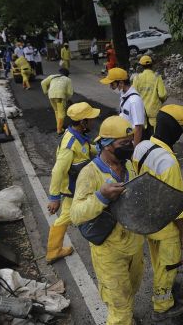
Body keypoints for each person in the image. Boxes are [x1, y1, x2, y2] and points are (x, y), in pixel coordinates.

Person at [70, 116, 143, 325]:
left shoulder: (128, 165)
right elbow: (76, 214)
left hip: (133, 245)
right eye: (124, 143)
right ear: (107, 145)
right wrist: (101, 197)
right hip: (109, 251)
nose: (130, 146)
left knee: (130, 290)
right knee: (119, 305)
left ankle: (125, 314)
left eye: (131, 141)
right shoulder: (90, 173)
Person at [132, 104, 183, 321]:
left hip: (149, 220)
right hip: (168, 226)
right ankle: (163, 306)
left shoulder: (141, 147)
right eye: (182, 128)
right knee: (169, 264)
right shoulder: (167, 162)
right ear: (173, 128)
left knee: (159, 261)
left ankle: (164, 289)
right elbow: (175, 204)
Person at [46, 102, 100, 263]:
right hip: (72, 187)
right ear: (83, 122)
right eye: (90, 119)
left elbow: (87, 148)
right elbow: (58, 170)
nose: (93, 121)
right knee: (67, 216)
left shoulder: (78, 135)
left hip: (79, 183)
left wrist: (100, 147)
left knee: (73, 214)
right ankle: (53, 251)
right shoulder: (69, 145)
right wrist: (54, 197)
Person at [100, 67, 148, 145]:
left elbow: (138, 128)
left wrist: (135, 150)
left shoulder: (134, 101)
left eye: (112, 84)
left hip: (132, 140)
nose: (110, 87)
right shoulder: (124, 95)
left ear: (121, 83)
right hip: (126, 138)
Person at [133, 55, 167, 130]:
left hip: (141, 111)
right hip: (154, 111)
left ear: (141, 66)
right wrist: (161, 101)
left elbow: (133, 96)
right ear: (152, 65)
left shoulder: (137, 78)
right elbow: (162, 95)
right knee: (154, 135)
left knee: (142, 135)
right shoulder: (157, 77)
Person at [41, 68, 74, 134]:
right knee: (61, 113)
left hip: (51, 95)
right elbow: (70, 92)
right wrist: (67, 99)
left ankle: (59, 125)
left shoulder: (52, 76)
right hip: (60, 97)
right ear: (67, 75)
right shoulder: (68, 80)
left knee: (56, 111)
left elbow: (43, 83)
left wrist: (45, 92)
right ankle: (59, 130)